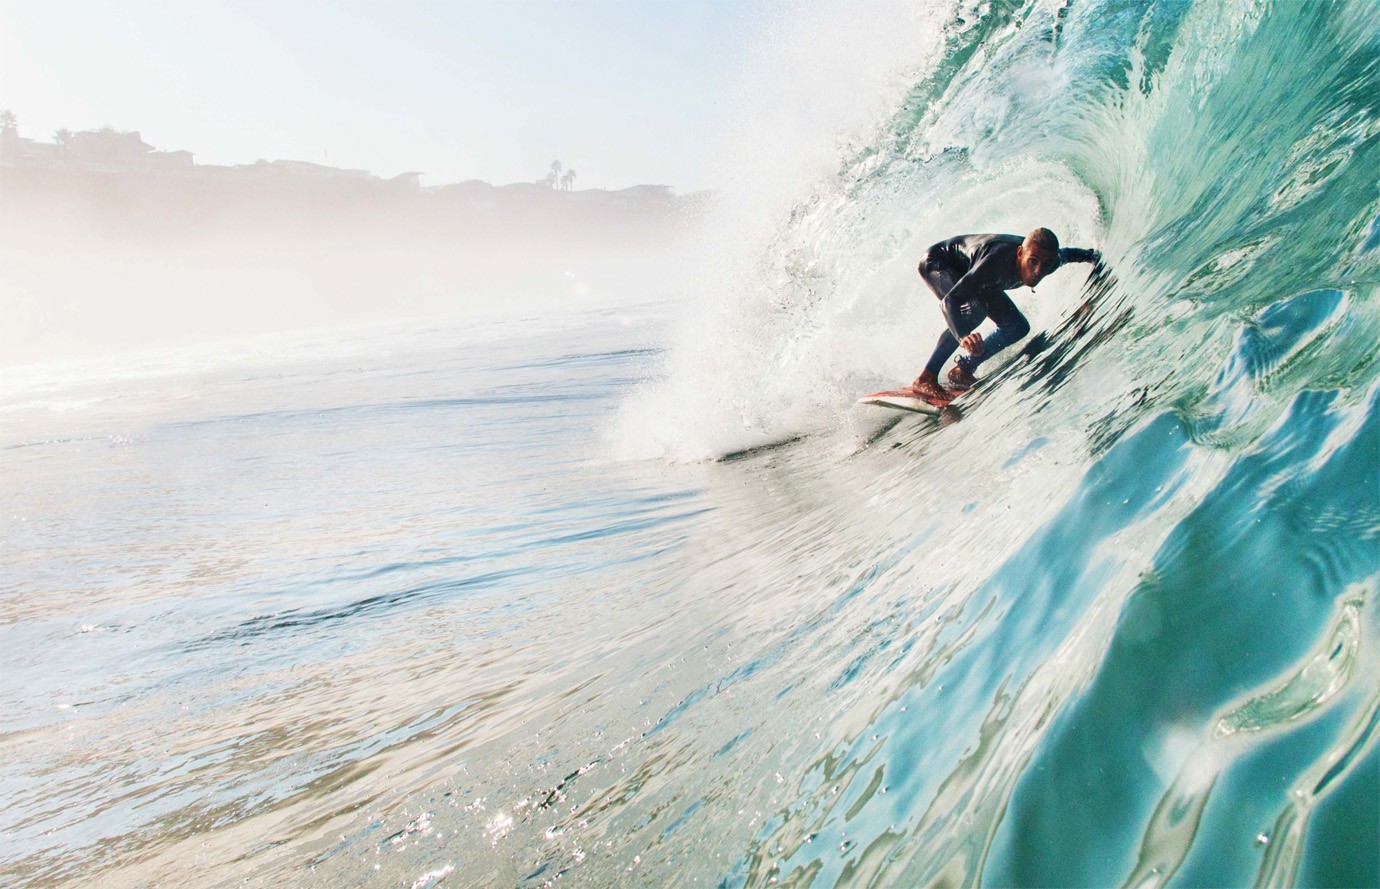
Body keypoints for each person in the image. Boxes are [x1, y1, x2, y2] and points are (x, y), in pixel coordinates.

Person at [910, 228, 1100, 403]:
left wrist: (1094, 257)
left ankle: (963, 369)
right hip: (938, 263)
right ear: (1020, 253)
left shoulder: (1052, 261)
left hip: (979, 278)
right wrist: (963, 336)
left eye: (1045, 264)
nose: (1038, 271)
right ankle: (926, 378)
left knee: (1017, 326)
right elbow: (950, 301)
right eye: (1033, 261)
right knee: (976, 310)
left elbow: (1070, 254)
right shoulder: (995, 261)